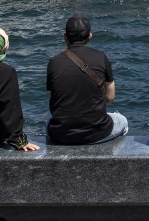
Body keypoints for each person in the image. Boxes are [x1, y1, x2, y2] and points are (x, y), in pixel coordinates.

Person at [46, 15, 128, 145]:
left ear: (65, 37)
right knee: (122, 120)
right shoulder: (101, 57)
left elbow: (56, 96)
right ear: (90, 36)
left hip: (61, 134)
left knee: (49, 121)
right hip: (97, 132)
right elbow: (110, 97)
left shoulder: (54, 62)